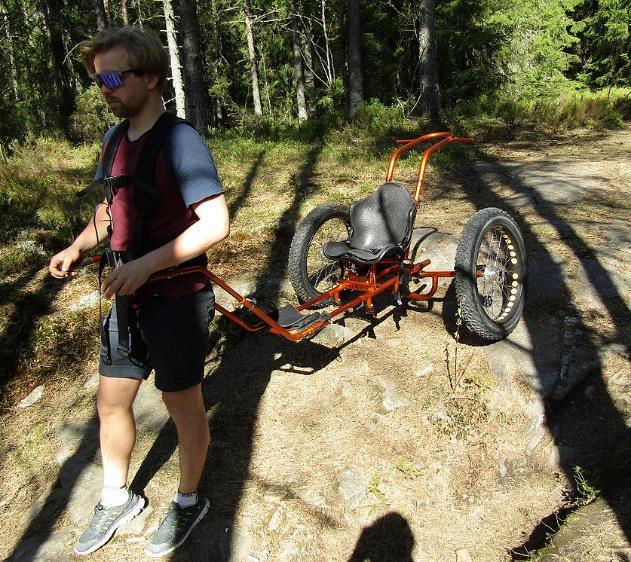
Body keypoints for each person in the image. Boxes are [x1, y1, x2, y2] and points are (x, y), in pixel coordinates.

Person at [49, 26, 229, 557]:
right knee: (112, 400)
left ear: (150, 77)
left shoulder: (180, 140)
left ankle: (190, 500)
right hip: (127, 295)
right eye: (97, 79)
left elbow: (216, 222)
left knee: (182, 406)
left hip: (176, 295)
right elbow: (109, 211)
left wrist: (147, 266)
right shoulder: (112, 141)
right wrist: (78, 247)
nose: (104, 89)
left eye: (113, 77)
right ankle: (116, 496)